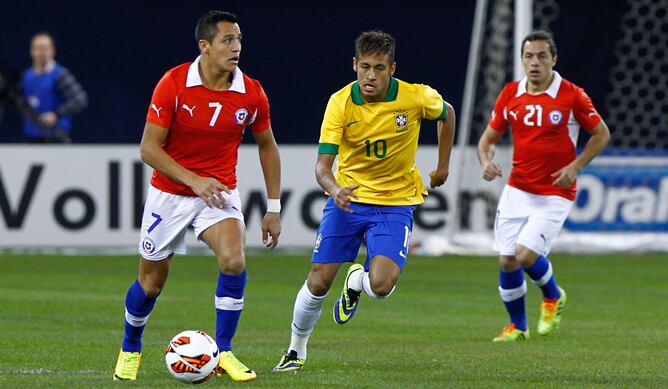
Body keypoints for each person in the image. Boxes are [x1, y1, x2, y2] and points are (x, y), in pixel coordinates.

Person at [113, 10, 281, 382]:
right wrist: (194, 181)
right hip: (169, 194)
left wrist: (273, 207)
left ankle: (224, 352)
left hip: (218, 193)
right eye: (227, 40)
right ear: (204, 46)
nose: (236, 47)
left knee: (234, 261)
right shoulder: (174, 84)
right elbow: (149, 149)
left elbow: (267, 146)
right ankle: (130, 346)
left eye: (238, 40)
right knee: (150, 284)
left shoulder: (251, 92)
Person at [272, 30, 455, 373]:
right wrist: (335, 187)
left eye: (380, 68)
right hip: (348, 200)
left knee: (383, 286)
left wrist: (443, 165)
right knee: (319, 281)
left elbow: (447, 114)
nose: (371, 75)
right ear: (355, 65)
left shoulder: (416, 97)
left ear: (392, 69)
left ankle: (357, 281)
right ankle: (296, 350)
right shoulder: (340, 103)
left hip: (395, 203)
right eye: (365, 67)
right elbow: (322, 167)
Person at [477, 30, 610, 342]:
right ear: (522, 60)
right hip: (517, 189)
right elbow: (487, 140)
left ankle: (553, 296)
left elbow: (601, 134)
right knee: (507, 259)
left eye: (541, 56)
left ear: (554, 59)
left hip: (555, 192)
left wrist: (575, 167)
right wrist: (486, 162)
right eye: (528, 56)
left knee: (524, 255)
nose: (534, 62)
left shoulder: (572, 95)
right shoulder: (510, 94)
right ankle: (517, 326)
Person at [21, 32, 87, 142]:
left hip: (56, 136)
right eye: (38, 49)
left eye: (45, 49)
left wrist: (57, 114)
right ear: (31, 51)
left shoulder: (60, 74)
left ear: (52, 51)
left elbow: (80, 99)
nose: (41, 53)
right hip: (32, 136)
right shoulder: (26, 75)